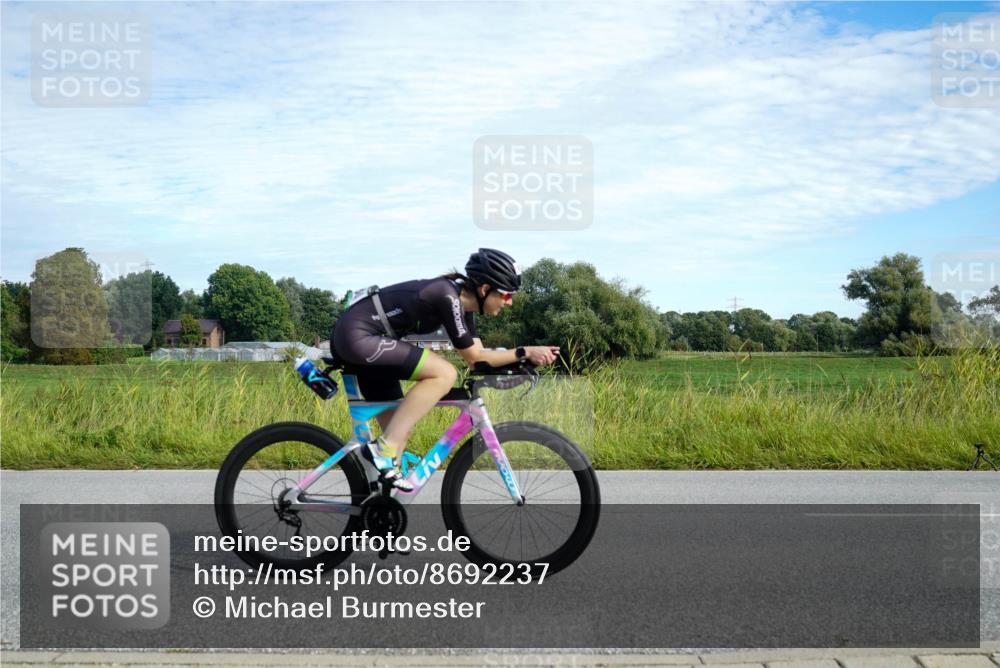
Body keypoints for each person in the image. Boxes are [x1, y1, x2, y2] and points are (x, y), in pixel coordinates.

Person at [331, 248, 560, 491]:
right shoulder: (446, 296)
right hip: (358, 338)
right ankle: (381, 451)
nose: (510, 302)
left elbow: (479, 360)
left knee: (399, 431)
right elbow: (475, 357)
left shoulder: (464, 308)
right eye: (506, 295)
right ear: (485, 289)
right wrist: (524, 351)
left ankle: (377, 502)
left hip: (369, 344)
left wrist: (520, 362)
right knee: (445, 373)